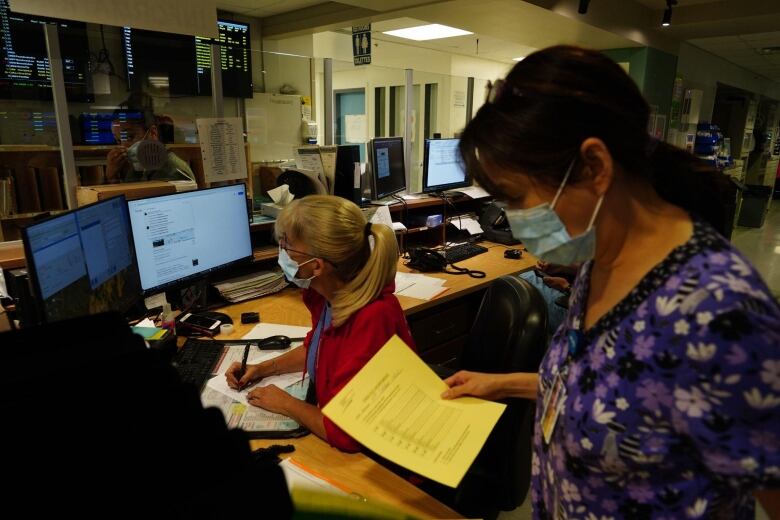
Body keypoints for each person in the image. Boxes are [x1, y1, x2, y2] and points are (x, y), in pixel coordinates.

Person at [442, 46, 780, 519]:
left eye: (518, 199)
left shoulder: (719, 313)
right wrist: (504, 384)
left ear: (595, 167)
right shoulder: (601, 260)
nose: (517, 221)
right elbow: (610, 392)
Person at [225, 195, 415, 452]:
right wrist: (262, 369)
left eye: (288, 244)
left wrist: (288, 404)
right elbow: (318, 350)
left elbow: (346, 434)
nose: (282, 251)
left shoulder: (370, 318)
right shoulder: (327, 297)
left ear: (316, 266)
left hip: (386, 455)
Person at [105, 94, 194, 183]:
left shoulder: (173, 171)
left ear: (152, 133)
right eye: (119, 141)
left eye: (129, 137)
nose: (124, 147)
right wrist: (111, 176)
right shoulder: (137, 170)